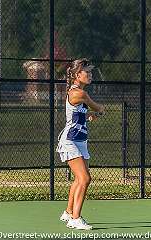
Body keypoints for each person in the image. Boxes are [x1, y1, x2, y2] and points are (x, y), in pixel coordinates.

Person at [56, 58, 104, 230]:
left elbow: (81, 113)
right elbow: (97, 107)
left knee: (79, 179)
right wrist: (99, 110)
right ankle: (76, 218)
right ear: (77, 75)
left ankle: (69, 212)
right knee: (85, 178)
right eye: (87, 72)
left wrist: (89, 116)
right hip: (69, 141)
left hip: (80, 140)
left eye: (91, 72)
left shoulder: (79, 93)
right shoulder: (80, 94)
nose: (90, 75)